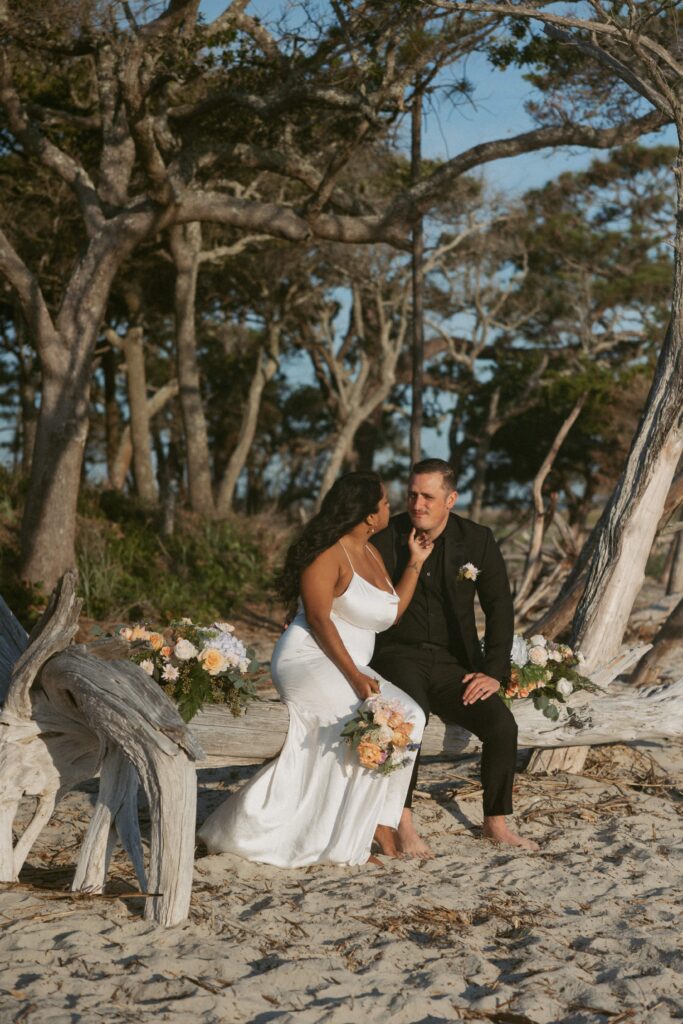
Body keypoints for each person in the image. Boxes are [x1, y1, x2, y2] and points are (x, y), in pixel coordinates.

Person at [198, 472, 433, 867]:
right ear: (366, 515)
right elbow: (321, 621)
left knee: (411, 716)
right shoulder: (328, 553)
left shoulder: (372, 553)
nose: (390, 507)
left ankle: (380, 820)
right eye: (383, 502)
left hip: (349, 663)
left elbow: (391, 615)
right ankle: (349, 839)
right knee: (367, 720)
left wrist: (415, 563)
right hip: (310, 659)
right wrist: (356, 677)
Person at [370, 458, 538, 856]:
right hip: (397, 655)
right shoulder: (386, 536)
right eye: (412, 494)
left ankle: (495, 822)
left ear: (451, 498)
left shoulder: (476, 539)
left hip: (454, 663)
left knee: (501, 726)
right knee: (410, 721)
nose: (417, 504)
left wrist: (494, 671)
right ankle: (403, 823)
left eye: (428, 496)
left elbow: (499, 607)